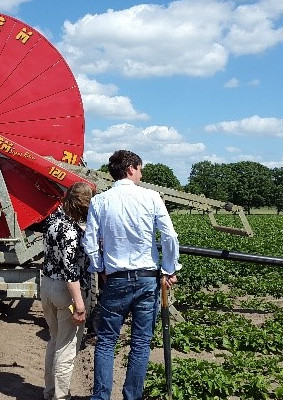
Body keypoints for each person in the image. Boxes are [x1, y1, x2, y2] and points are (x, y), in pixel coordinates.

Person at [81, 150, 181, 400]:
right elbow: (169, 236)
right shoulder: (151, 197)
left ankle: (101, 397)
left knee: (105, 342)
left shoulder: (100, 201)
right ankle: (131, 396)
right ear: (130, 169)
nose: (141, 173)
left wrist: (99, 267)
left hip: (115, 279)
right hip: (147, 279)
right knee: (140, 342)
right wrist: (169, 269)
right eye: (140, 168)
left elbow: (90, 241)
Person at [40, 181, 95, 400]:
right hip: (66, 291)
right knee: (67, 348)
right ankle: (61, 397)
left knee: (54, 340)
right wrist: (80, 304)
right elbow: (71, 271)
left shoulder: (54, 219)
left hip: (47, 285)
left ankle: (49, 391)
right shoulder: (72, 231)